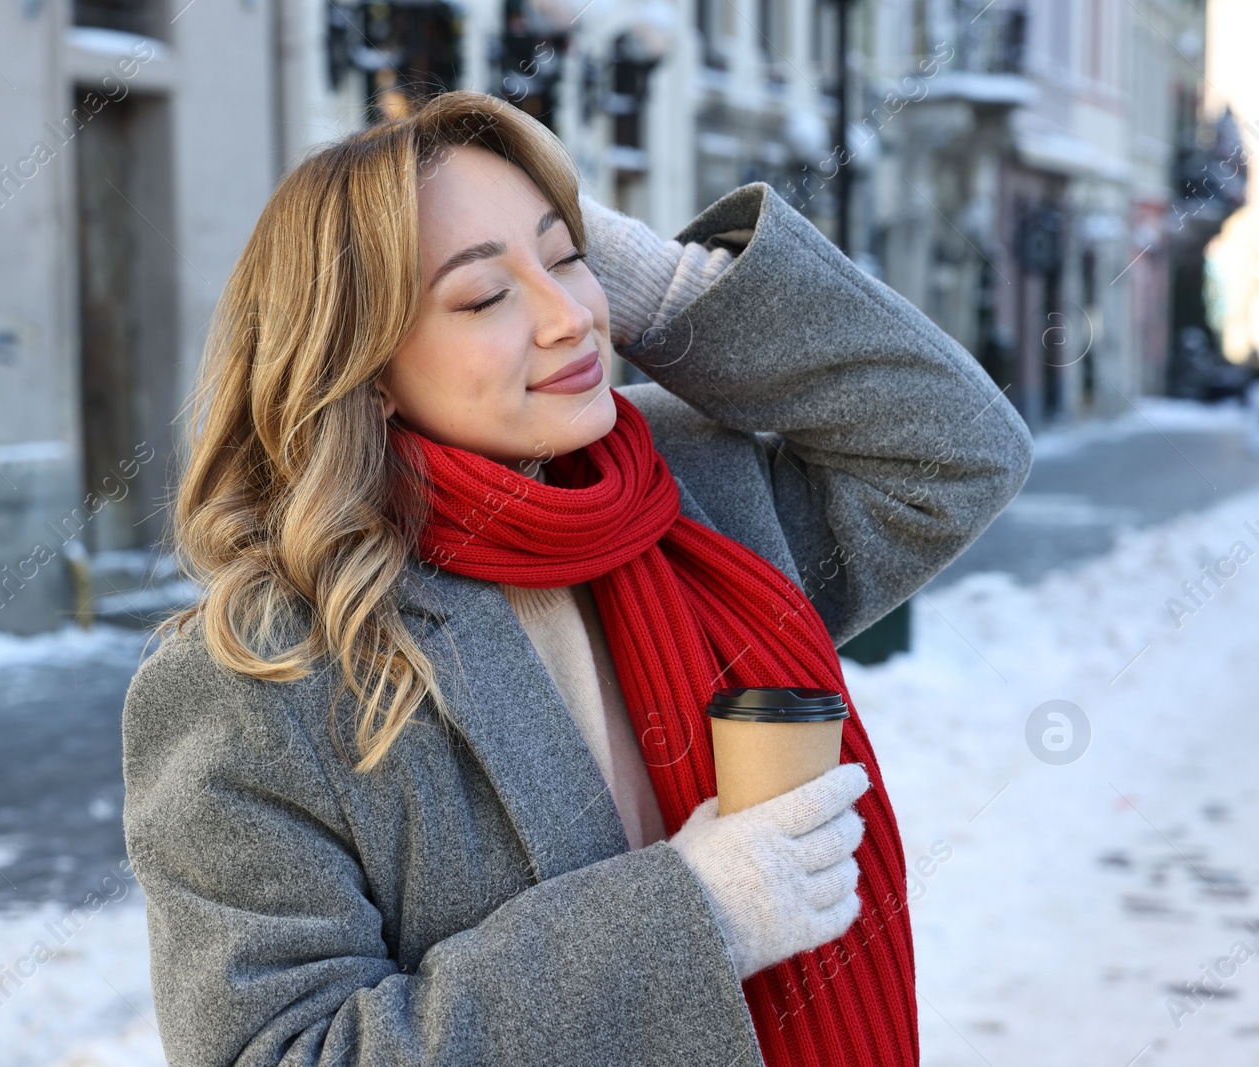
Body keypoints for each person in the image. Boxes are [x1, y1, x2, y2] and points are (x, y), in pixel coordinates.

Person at [122, 90, 1033, 1066]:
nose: (566, 316)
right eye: (482, 297)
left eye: (569, 259)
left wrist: (664, 292)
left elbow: (954, 447)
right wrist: (691, 919)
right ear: (367, 366)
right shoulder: (258, 679)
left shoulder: (702, 498)